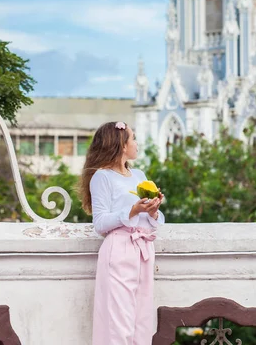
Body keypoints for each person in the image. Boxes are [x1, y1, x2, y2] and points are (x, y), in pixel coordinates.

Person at [78, 121, 165, 345]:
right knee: (119, 321)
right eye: (133, 138)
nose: (136, 143)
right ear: (121, 145)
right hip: (118, 250)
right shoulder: (102, 177)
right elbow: (100, 223)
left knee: (142, 319)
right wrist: (132, 210)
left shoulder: (139, 175)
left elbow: (150, 221)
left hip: (144, 249)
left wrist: (153, 212)